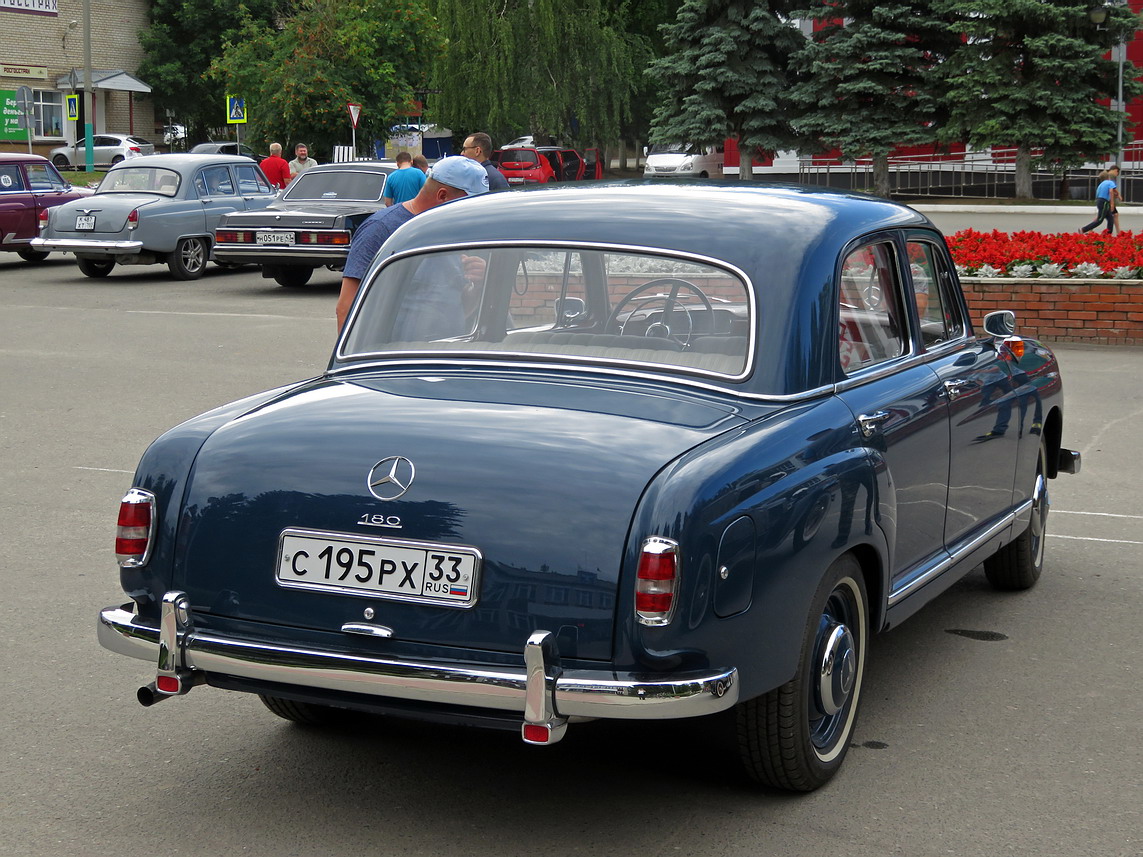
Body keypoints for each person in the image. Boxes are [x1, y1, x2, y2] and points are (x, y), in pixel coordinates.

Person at [335, 155, 490, 331]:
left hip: (446, 351)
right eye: (468, 204)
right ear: (442, 195)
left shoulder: (451, 233)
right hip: (399, 355)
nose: (473, 213)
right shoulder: (381, 229)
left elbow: (457, 309)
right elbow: (346, 309)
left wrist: (478, 285)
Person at [1081, 164, 1120, 234]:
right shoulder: (1110, 181)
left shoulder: (1102, 184)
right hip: (1104, 201)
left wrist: (1116, 194)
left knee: (1110, 218)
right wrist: (1112, 203)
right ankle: (1083, 229)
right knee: (1100, 219)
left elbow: (1102, 192)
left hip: (1100, 200)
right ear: (1108, 177)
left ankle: (1108, 234)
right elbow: (1111, 190)